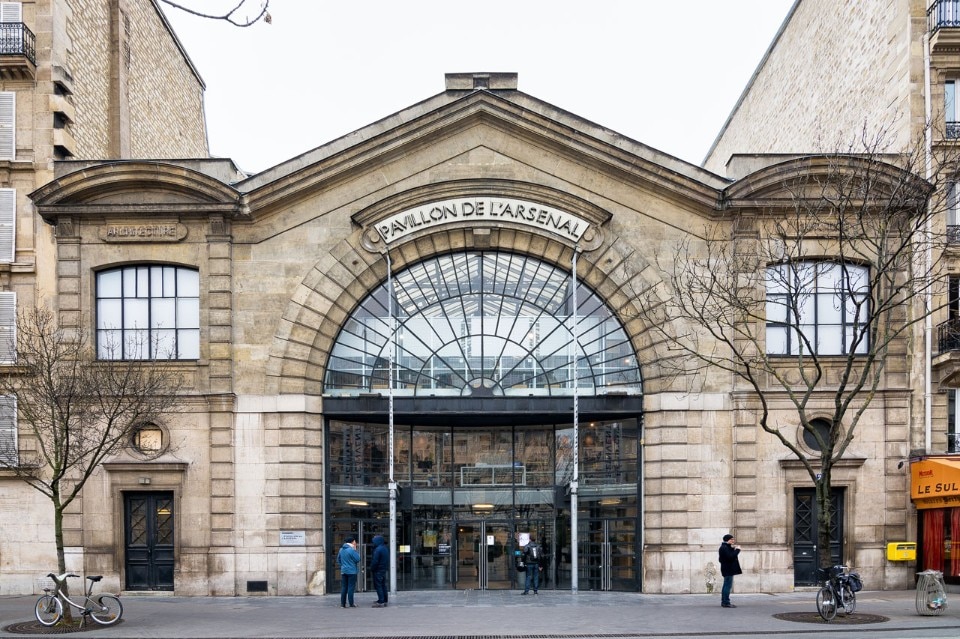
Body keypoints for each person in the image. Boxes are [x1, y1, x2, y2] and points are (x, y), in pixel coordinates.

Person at [718, 533, 742, 608]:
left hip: (727, 569)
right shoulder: (724, 547)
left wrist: (733, 549)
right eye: (731, 539)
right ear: (727, 540)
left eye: (733, 539)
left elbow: (724, 557)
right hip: (728, 569)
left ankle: (725, 602)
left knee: (726, 585)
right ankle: (726, 602)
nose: (733, 540)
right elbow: (730, 557)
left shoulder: (725, 547)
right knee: (727, 586)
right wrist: (737, 550)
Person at [337, 535, 361, 608]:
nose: (355, 542)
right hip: (352, 571)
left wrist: (343, 565)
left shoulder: (341, 549)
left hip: (344, 571)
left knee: (344, 587)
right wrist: (355, 550)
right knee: (351, 587)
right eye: (355, 541)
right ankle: (351, 603)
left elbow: (338, 560)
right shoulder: (351, 550)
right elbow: (358, 559)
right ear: (352, 542)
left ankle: (343, 604)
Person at [370, 534, 389, 607]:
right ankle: (384, 600)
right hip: (383, 569)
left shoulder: (378, 550)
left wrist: (372, 568)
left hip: (378, 570)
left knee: (378, 586)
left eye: (374, 541)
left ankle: (381, 601)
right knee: (383, 585)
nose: (373, 543)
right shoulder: (385, 548)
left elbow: (375, 561)